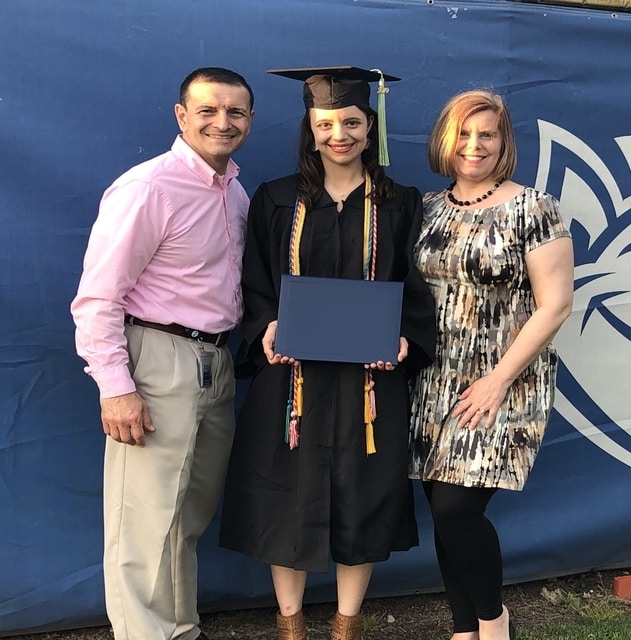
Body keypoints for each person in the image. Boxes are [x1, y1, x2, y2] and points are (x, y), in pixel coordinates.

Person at [218, 66, 436, 640]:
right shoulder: (275, 198)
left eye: (351, 122)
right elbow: (254, 282)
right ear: (310, 129)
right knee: (283, 498)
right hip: (292, 381)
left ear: (371, 127)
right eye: (326, 123)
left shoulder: (402, 203)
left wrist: (405, 339)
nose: (338, 133)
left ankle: (345, 627)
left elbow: (418, 286)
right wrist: (264, 326)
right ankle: (290, 627)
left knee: (362, 497)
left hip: (370, 384)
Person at [70, 67, 255, 640]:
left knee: (186, 515)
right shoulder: (149, 187)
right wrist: (117, 387)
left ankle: (179, 629)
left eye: (236, 113)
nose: (222, 122)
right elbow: (98, 298)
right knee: (146, 521)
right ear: (182, 116)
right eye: (208, 110)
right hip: (156, 360)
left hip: (216, 363)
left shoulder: (235, 191)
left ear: (248, 120)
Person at [409, 89, 574, 640]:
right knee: (442, 507)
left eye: (487, 134)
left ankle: (492, 622)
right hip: (432, 381)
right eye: (464, 133)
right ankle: (463, 630)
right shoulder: (428, 209)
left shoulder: (533, 208)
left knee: (457, 508)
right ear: (445, 140)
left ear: (503, 143)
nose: (474, 145)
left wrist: (498, 379)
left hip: (503, 381)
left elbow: (556, 303)